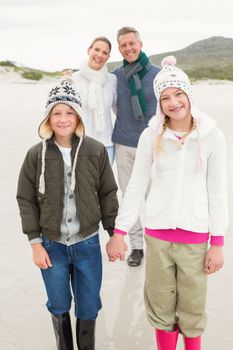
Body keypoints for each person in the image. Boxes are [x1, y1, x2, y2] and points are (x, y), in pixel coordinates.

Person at [107, 56, 228, 350]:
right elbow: (135, 187)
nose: (173, 102)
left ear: (188, 94)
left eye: (178, 94)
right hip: (158, 235)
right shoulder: (151, 135)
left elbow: (218, 191)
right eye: (165, 97)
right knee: (160, 306)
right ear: (159, 103)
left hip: (196, 237)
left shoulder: (212, 136)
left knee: (192, 308)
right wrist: (120, 233)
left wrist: (218, 242)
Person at [16, 80, 118, 350]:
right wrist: (35, 244)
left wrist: (114, 234)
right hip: (51, 246)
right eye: (57, 113)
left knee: (88, 306)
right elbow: (26, 199)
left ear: (79, 116)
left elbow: (108, 193)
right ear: (48, 117)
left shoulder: (95, 151)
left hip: (87, 243)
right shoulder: (35, 154)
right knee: (59, 303)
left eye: (69, 112)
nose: (63, 119)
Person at [112, 26, 160, 266]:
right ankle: (137, 246)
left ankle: (156, 244)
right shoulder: (116, 76)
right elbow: (111, 105)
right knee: (130, 197)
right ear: (119, 48)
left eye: (132, 43)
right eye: (123, 45)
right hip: (124, 145)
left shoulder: (158, 74)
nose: (128, 48)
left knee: (154, 198)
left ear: (140, 44)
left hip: (153, 148)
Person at [70, 36, 117, 165]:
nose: (100, 55)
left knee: (104, 185)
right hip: (79, 144)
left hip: (106, 146)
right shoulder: (73, 79)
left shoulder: (112, 80)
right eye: (96, 49)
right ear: (89, 50)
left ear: (108, 57)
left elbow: (120, 111)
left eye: (105, 52)